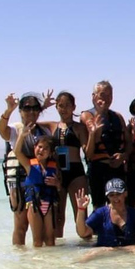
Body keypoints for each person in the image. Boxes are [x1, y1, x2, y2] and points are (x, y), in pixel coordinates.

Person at [0, 91, 53, 245]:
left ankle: (40, 262)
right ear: (20, 111)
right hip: (19, 179)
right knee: (21, 224)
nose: (31, 111)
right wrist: (9, 110)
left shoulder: (44, 131)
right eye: (27, 108)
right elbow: (1, 130)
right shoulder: (15, 129)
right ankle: (20, 261)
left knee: (43, 227)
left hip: (38, 181)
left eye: (35, 108)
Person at [42, 91, 89, 238]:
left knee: (80, 212)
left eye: (68, 105)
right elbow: (31, 122)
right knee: (58, 215)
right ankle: (59, 255)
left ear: (74, 107)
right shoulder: (52, 126)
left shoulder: (79, 128)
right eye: (60, 105)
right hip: (58, 173)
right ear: (56, 107)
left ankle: (86, 243)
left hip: (76, 173)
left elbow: (88, 150)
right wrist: (43, 107)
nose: (64, 109)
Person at [80, 80, 132, 210]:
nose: (107, 99)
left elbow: (128, 142)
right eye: (103, 95)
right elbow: (89, 154)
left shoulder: (118, 117)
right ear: (94, 97)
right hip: (98, 169)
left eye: (110, 95)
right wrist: (100, 113)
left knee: (119, 206)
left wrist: (123, 156)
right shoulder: (87, 116)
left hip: (117, 169)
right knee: (99, 207)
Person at [13, 123, 60, 247]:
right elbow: (17, 152)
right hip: (34, 205)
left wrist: (57, 183)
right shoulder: (29, 166)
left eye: (45, 149)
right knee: (37, 240)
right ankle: (37, 264)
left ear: (50, 153)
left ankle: (50, 264)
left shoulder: (54, 167)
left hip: (49, 205)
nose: (41, 150)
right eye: (39, 147)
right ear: (34, 148)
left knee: (50, 240)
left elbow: (60, 187)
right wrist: (22, 136)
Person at [75, 178, 135, 247]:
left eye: (118, 194)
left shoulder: (133, 214)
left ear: (125, 193)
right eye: (111, 195)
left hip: (130, 248)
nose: (115, 198)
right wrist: (81, 209)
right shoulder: (100, 213)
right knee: (82, 260)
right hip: (104, 249)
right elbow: (83, 233)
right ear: (107, 196)